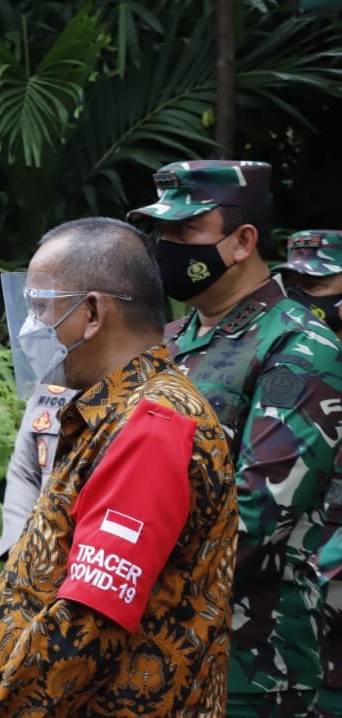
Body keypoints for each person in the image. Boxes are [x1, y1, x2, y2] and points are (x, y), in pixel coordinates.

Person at [0, 217, 237, 716]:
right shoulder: (112, 411)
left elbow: (90, 619)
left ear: (92, 312)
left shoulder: (153, 425)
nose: (27, 328)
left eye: (40, 307)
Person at [128, 161, 342, 716]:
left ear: (243, 241)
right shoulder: (166, 342)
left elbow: (255, 512)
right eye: (162, 232)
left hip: (250, 663)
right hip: (151, 653)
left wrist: (122, 573)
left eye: (185, 231)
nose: (166, 248)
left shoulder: (299, 347)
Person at [273, 228, 342, 718]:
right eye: (293, 284)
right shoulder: (288, 366)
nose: (301, 298)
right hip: (289, 616)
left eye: (316, 285)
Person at [0, 384, 77, 557]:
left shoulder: (131, 387)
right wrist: (19, 545)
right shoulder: (53, 381)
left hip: (95, 555)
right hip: (38, 553)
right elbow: (24, 473)